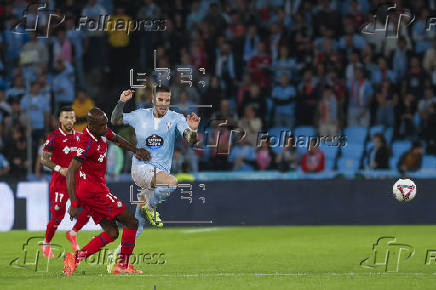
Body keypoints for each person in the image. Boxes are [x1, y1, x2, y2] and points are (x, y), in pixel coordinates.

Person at [109, 87, 199, 269]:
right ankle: (149, 205)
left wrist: (193, 130)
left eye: (167, 100)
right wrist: (121, 102)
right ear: (153, 99)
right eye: (161, 100)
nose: (164, 104)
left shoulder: (176, 118)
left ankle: (118, 260)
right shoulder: (140, 115)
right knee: (173, 182)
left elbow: (190, 139)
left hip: (158, 174)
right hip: (141, 168)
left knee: (136, 224)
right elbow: (115, 120)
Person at [63, 108, 151, 275]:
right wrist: (73, 203)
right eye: (102, 125)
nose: (106, 128)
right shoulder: (85, 143)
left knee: (111, 233)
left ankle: (74, 259)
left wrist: (136, 151)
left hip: (94, 189)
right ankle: (122, 266)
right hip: (92, 191)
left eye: (106, 124)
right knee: (131, 222)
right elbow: (70, 172)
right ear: (91, 126)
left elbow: (117, 139)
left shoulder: (100, 132)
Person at [40, 107, 90, 257]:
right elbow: (44, 159)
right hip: (60, 182)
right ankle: (46, 243)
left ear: (75, 119)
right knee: (57, 215)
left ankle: (73, 233)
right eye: (66, 117)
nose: (69, 120)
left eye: (71, 117)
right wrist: (58, 168)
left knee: (91, 207)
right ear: (60, 120)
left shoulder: (80, 137)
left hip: (77, 182)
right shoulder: (54, 137)